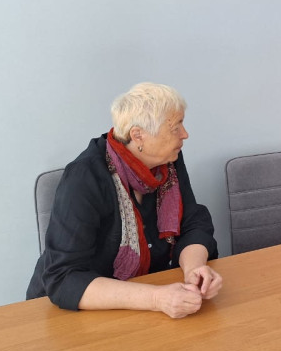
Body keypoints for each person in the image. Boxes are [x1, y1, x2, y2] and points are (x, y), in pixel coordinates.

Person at [27, 82, 222, 318]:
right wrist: (156, 298)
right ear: (138, 135)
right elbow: (64, 278)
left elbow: (192, 222)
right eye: (175, 127)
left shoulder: (168, 162)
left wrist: (194, 269)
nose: (185, 134)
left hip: (143, 303)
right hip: (72, 313)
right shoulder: (84, 177)